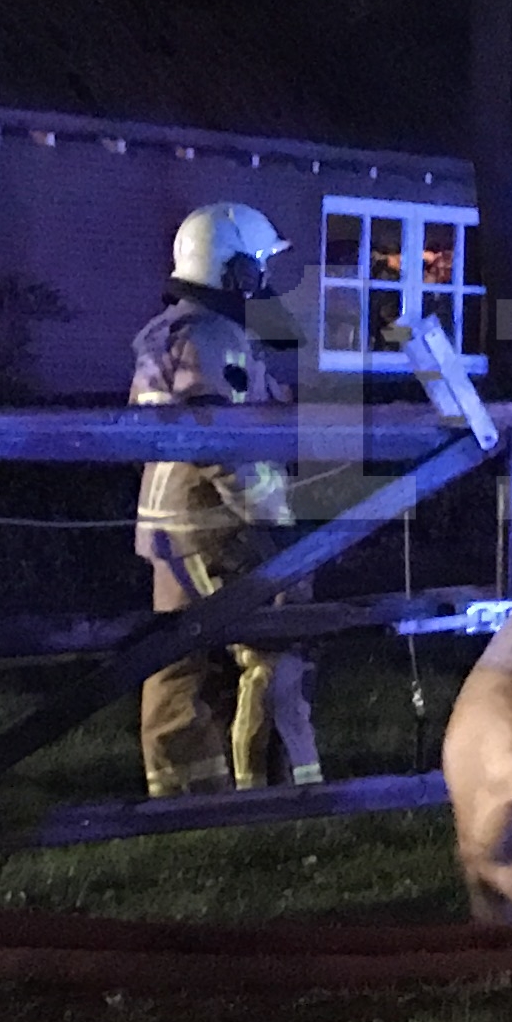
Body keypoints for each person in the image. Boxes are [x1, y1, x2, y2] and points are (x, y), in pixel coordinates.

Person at [131, 200, 320, 796]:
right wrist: (272, 524)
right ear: (230, 269)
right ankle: (272, 783)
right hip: (216, 523)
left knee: (178, 659)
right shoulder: (209, 335)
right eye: (256, 264)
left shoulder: (182, 330)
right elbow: (226, 442)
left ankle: (185, 791)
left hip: (171, 523)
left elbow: (252, 406)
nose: (262, 279)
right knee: (278, 640)